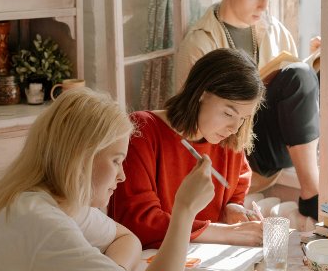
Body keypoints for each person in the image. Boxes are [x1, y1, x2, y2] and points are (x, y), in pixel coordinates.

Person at [0, 88, 216, 271]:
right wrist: (184, 211)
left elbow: (126, 238)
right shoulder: (40, 223)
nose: (122, 175)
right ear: (81, 157)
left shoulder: (52, 202)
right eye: (116, 160)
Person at [175, 0, 320, 221]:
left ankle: (314, 185)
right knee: (298, 76)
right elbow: (191, 120)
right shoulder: (200, 42)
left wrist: (317, 62)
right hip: (235, 148)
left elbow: (294, 93)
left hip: (277, 145)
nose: (264, 6)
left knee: (322, 65)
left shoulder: (275, 30)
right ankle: (312, 195)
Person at [110, 49, 266, 248]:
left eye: (243, 118)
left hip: (206, 260)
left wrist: (232, 207)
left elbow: (237, 185)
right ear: (201, 93)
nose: (235, 128)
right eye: (228, 113)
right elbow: (139, 222)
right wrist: (227, 233)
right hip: (152, 261)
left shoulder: (227, 139)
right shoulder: (142, 131)